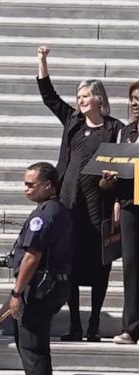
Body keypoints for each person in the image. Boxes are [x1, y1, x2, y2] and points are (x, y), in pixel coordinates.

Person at [37, 46, 124, 342]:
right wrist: (42, 61)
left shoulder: (115, 129)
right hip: (70, 202)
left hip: (99, 205)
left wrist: (116, 197)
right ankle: (74, 325)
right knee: (69, 265)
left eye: (86, 96)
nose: (81, 101)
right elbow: (49, 97)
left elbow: (125, 168)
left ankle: (94, 325)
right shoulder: (73, 123)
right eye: (78, 97)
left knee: (100, 266)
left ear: (98, 98)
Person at [10, 162, 73, 375]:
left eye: (30, 185)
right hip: (54, 284)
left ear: (47, 185)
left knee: (32, 347)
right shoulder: (59, 210)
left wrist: (16, 293)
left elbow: (32, 256)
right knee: (33, 345)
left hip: (39, 287)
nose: (26, 189)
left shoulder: (45, 215)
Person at [100, 81, 139, 344]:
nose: (135, 104)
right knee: (132, 267)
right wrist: (111, 185)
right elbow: (112, 175)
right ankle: (131, 328)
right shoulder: (126, 133)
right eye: (133, 99)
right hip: (130, 206)